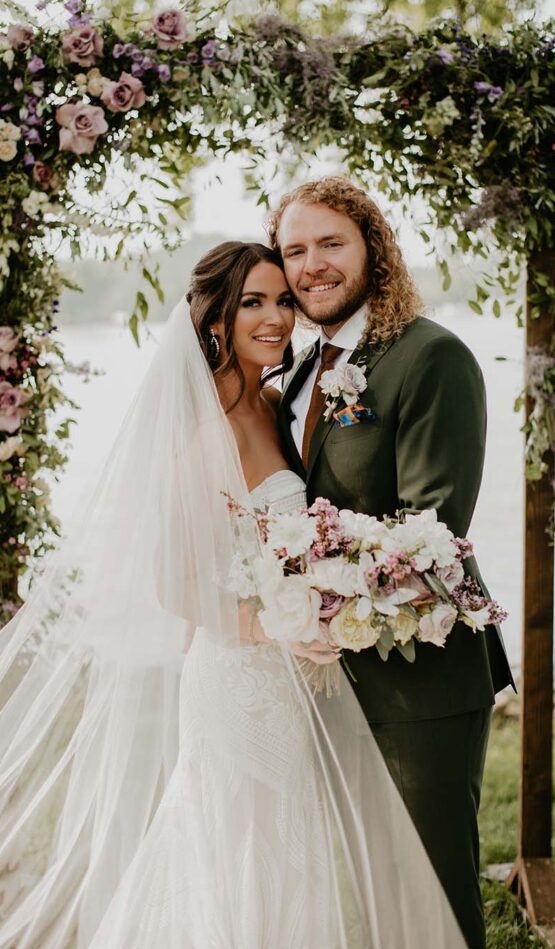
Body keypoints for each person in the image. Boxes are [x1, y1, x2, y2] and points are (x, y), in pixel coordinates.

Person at [0, 241, 467, 948]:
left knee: (286, 851)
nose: (276, 316)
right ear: (215, 316)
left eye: (283, 299)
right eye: (253, 301)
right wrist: (275, 629)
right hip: (237, 679)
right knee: (235, 850)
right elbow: (173, 579)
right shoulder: (201, 427)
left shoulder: (274, 404)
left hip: (289, 679)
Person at [268, 177, 516, 949]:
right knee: (375, 886)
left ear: (372, 247)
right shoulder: (303, 370)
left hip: (421, 684)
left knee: (430, 891)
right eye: (294, 250)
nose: (311, 265)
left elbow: (431, 528)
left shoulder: (429, 356)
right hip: (331, 678)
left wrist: (313, 603)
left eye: (329, 244)